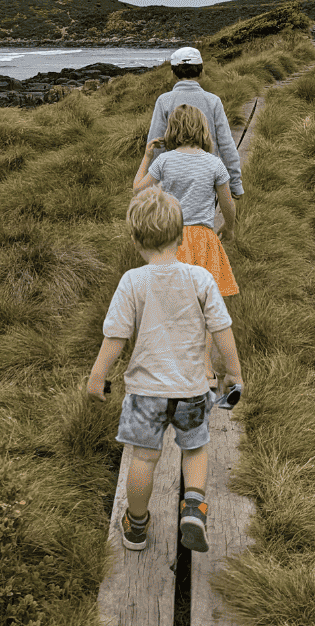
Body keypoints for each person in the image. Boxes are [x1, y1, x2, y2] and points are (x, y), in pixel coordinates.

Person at [87, 187, 243, 553]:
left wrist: (97, 377)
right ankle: (193, 507)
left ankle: (137, 526)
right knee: (195, 449)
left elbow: (115, 336)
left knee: (143, 457)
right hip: (191, 388)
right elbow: (222, 330)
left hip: (145, 393)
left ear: (134, 238)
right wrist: (234, 373)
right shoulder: (201, 279)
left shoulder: (132, 282)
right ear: (181, 234)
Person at [133, 103, 240, 387]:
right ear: (203, 129)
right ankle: (205, 369)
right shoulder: (214, 163)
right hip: (204, 240)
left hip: (171, 238)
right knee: (205, 306)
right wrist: (229, 228)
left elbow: (138, 190)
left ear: (173, 130)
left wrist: (146, 155)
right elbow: (227, 204)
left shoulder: (164, 161)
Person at [146, 46, 244, 200]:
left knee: (172, 220)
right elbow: (226, 144)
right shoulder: (213, 101)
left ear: (173, 73)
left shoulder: (164, 101)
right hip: (207, 177)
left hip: (172, 179)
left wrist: (151, 183)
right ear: (201, 72)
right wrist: (235, 184)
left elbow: (156, 144)